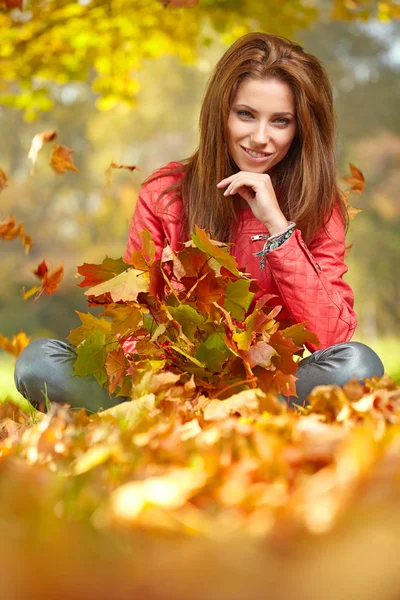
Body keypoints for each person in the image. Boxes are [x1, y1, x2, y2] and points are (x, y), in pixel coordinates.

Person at [14, 32, 384, 413]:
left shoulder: (319, 206)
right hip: (165, 384)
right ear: (220, 113)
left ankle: (230, 411)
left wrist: (278, 227)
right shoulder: (165, 193)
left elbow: (333, 336)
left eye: (280, 121)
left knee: (358, 365)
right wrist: (170, 380)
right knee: (39, 362)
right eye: (245, 115)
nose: (260, 138)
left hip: (265, 386)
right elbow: (135, 316)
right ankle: (189, 413)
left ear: (301, 129)